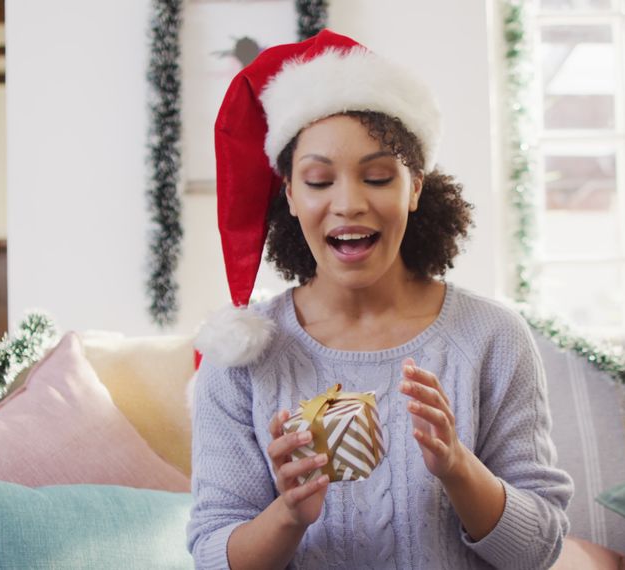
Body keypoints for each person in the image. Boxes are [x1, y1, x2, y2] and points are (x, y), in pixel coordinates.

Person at [188, 30, 573, 570]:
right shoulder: (242, 361)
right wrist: (289, 515)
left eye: (377, 176)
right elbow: (212, 555)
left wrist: (458, 466)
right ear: (291, 195)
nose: (348, 203)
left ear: (414, 187)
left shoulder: (491, 338)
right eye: (319, 180)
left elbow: (537, 551)